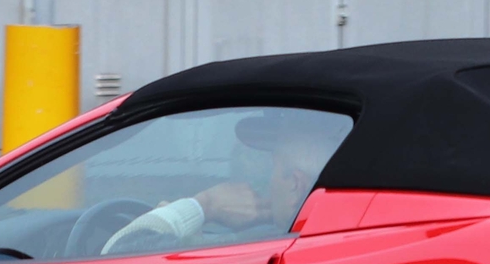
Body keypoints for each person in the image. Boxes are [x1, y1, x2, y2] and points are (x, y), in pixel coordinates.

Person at [102, 109, 344, 254]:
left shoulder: (257, 249)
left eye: (274, 167)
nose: (269, 184)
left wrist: (205, 205)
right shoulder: (339, 242)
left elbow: (118, 249)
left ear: (295, 184)